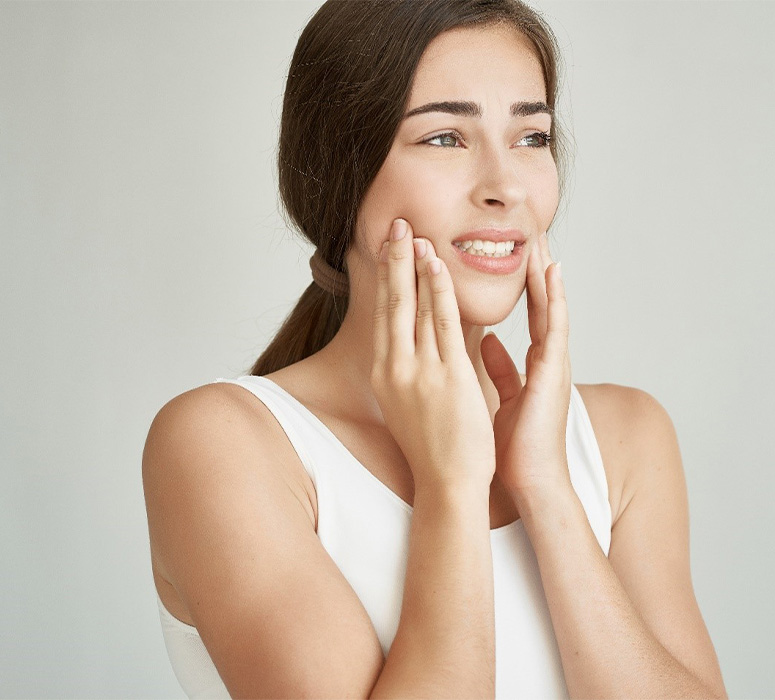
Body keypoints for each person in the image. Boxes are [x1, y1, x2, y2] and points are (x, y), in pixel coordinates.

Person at [142, 1, 727, 697]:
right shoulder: (225, 445)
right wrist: (450, 485)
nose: (505, 187)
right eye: (445, 138)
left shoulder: (626, 439)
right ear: (339, 171)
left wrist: (546, 488)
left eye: (531, 137)